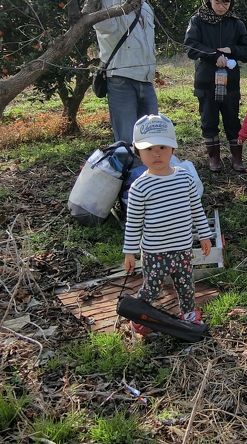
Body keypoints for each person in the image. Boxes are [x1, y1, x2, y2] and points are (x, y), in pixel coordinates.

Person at [123, 114, 212, 335]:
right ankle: (139, 316)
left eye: (162, 147)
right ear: (138, 153)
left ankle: (189, 313)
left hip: (182, 248)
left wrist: (204, 234)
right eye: (149, 148)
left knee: (186, 284)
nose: (156, 153)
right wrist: (130, 252)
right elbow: (133, 223)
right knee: (150, 288)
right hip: (155, 252)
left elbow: (196, 209)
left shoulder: (185, 179)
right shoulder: (140, 187)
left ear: (172, 149)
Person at [184, 0, 247, 173]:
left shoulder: (236, 23)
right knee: (209, 120)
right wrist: (213, 55)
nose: (222, 7)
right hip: (206, 80)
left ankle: (237, 159)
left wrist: (232, 50)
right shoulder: (197, 20)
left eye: (226, 3)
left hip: (230, 82)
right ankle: (214, 158)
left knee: (232, 120)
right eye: (217, 2)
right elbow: (190, 46)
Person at [93, 0, 159, 145]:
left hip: (146, 79)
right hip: (121, 79)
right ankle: (130, 167)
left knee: (153, 135)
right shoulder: (108, 3)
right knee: (127, 138)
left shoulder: (146, 7)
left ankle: (149, 168)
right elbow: (103, 28)